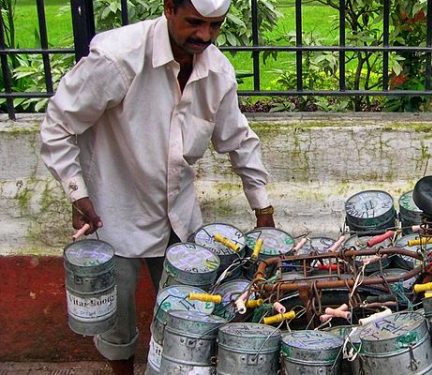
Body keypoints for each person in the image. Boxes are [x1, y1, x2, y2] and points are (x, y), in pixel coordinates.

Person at [39, 0, 274, 372]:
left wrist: (263, 211)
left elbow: (239, 141)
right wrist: (78, 192)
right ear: (168, 8)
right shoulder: (118, 57)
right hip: (113, 215)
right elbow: (59, 125)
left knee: (191, 316)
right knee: (118, 321)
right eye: (193, 22)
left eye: (214, 26)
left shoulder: (217, 72)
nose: (204, 35)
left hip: (179, 218)